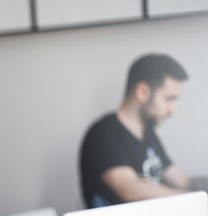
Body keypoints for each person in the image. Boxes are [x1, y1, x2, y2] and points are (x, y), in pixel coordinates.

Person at [79, 54, 192, 208]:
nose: (173, 110)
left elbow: (183, 181)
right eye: (169, 99)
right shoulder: (103, 134)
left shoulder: (148, 134)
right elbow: (129, 189)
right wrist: (192, 199)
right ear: (142, 92)